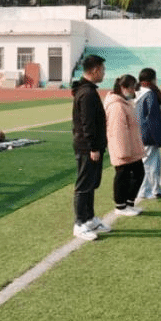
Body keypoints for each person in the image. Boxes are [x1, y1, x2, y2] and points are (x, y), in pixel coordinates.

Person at [71, 54, 108, 241]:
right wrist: (93, 146)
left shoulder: (89, 91)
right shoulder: (87, 93)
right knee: (84, 184)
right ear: (95, 70)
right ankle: (79, 223)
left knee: (92, 183)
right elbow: (87, 123)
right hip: (87, 147)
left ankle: (89, 218)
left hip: (93, 146)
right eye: (102, 70)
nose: (104, 73)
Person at [105, 74, 146, 217]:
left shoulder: (124, 103)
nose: (134, 91)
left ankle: (128, 203)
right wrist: (123, 152)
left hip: (131, 147)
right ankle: (121, 205)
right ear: (123, 87)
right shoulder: (117, 106)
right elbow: (118, 131)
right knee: (123, 176)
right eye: (131, 88)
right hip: (124, 149)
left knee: (137, 174)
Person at [134, 67, 161, 200]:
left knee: (154, 163)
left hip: (142, 133)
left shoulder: (139, 92)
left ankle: (155, 188)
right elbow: (152, 118)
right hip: (148, 134)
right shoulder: (150, 94)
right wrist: (158, 138)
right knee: (149, 164)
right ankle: (145, 191)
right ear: (152, 79)